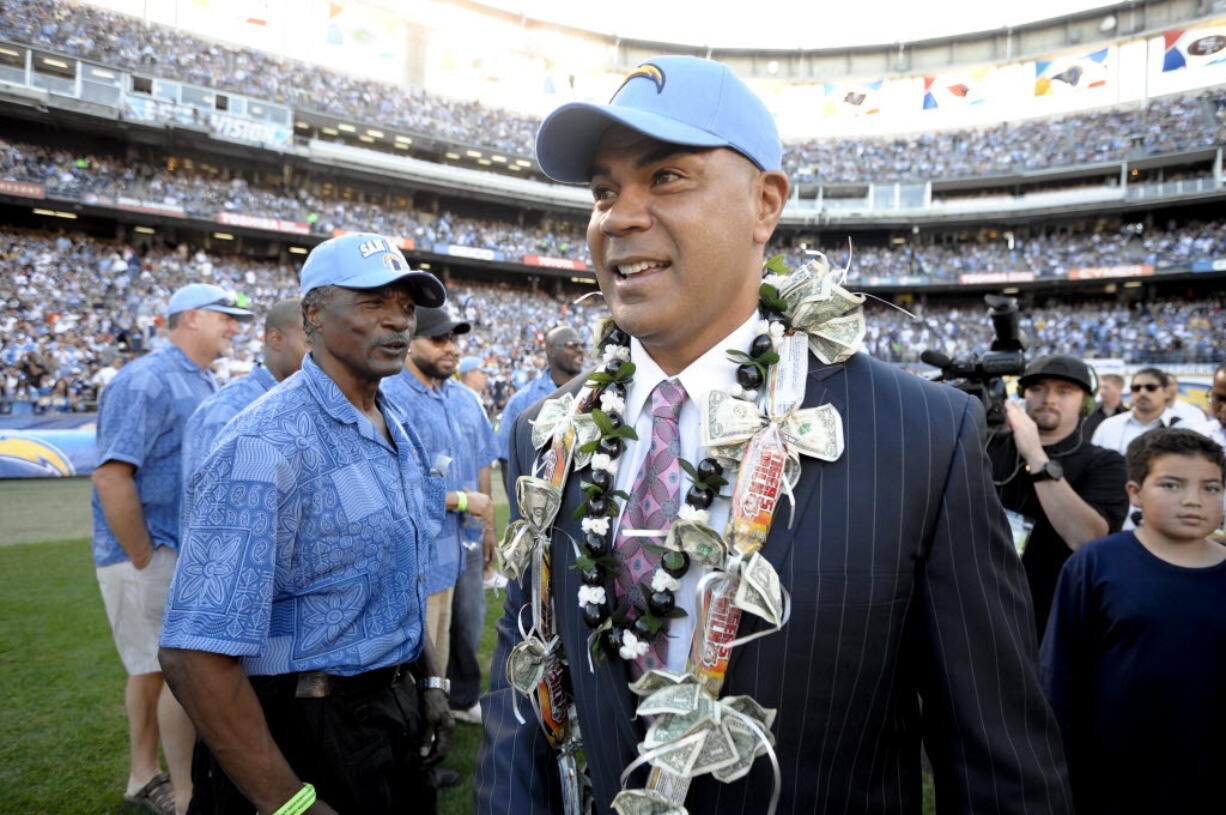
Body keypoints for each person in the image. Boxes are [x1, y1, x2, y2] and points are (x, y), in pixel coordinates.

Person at [475, 55, 1071, 814]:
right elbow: (521, 692)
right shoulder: (545, 435)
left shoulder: (922, 436)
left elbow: (1001, 766)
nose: (619, 216)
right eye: (602, 190)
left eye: (666, 178)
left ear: (765, 203)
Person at [157, 234, 461, 815]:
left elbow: (394, 582)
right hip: (302, 726)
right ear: (313, 316)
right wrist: (289, 803)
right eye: (373, 305)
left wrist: (429, 686)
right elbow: (193, 654)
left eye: (405, 306)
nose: (397, 322)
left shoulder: (396, 423)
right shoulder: (262, 444)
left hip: (388, 714)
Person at [91, 283, 254, 815]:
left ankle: (146, 774)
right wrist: (145, 556)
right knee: (168, 668)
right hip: (153, 550)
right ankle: (164, 783)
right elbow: (113, 476)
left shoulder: (201, 378)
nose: (235, 326)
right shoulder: (144, 380)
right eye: (225, 316)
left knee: (151, 668)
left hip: (178, 548)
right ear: (189, 319)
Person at [1040, 428, 1226, 815]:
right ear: (1135, 492)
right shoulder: (1096, 564)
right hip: (1112, 774)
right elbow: (1059, 671)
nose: (1193, 501)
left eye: (1211, 488)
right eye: (1172, 485)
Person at [382, 307, 498, 737]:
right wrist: (465, 500)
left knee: (463, 627)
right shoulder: (390, 396)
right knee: (419, 644)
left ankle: (454, 704)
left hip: (463, 540)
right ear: (410, 342)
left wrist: (487, 524)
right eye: (438, 339)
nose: (450, 348)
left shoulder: (464, 398)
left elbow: (482, 460)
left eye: (454, 339)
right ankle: (415, 730)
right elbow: (396, 482)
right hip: (421, 546)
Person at [988, 354, 1129, 632]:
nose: (1049, 399)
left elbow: (1086, 536)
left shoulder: (1105, 463)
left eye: (1064, 391)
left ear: (1086, 404)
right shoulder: (990, 446)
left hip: (1055, 613)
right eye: (1037, 389)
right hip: (987, 600)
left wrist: (1035, 454)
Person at [179, 298, 308, 484]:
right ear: (276, 339)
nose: (321, 354)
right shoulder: (227, 411)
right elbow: (209, 506)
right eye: (310, 342)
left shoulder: (313, 400)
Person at [493, 324, 584, 463]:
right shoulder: (523, 401)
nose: (580, 350)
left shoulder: (597, 390)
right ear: (551, 350)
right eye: (572, 345)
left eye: (581, 345)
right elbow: (507, 458)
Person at [1091, 368, 1189, 456]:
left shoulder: (1183, 428)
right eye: (1136, 388)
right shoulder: (1108, 426)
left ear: (1166, 392)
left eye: (1151, 387)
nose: (1142, 392)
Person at [1082, 372, 1126, 438]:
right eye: (1100, 387)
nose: (1101, 391)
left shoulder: (1127, 414)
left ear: (1119, 389)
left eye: (1106, 388)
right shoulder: (1088, 411)